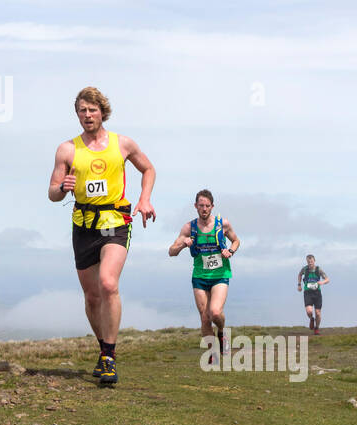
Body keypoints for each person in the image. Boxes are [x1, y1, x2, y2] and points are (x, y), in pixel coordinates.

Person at [48, 87, 156, 386]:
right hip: (83, 225)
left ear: (102, 111)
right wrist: (63, 187)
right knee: (92, 296)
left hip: (114, 221)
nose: (87, 115)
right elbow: (52, 194)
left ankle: (109, 357)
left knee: (108, 283)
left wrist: (145, 199)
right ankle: (104, 348)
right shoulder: (67, 150)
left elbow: (148, 169)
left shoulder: (122, 144)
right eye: (82, 110)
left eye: (92, 110)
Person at [169, 190, 240, 364]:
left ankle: (222, 333)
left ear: (212, 207)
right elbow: (171, 251)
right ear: (195, 206)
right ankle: (213, 353)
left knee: (215, 312)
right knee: (204, 317)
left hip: (220, 274)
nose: (204, 209)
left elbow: (236, 241)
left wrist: (229, 251)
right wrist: (182, 246)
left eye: (207, 206)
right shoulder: (189, 228)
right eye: (201, 205)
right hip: (200, 276)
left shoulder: (222, 224)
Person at [297, 254, 330, 335]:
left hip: (317, 293)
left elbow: (327, 279)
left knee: (318, 313)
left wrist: (322, 282)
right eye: (308, 262)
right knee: (309, 311)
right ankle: (311, 319)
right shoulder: (305, 269)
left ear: (314, 261)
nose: (310, 263)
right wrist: (299, 284)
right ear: (307, 262)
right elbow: (300, 274)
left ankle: (317, 328)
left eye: (311, 261)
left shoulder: (319, 270)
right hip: (307, 292)